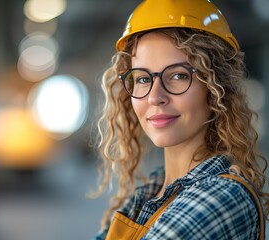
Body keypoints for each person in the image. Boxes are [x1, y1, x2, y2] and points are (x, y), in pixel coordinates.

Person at [92, 0, 268, 239]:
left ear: (217, 87)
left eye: (178, 75)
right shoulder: (153, 191)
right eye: (143, 78)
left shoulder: (220, 198)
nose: (155, 97)